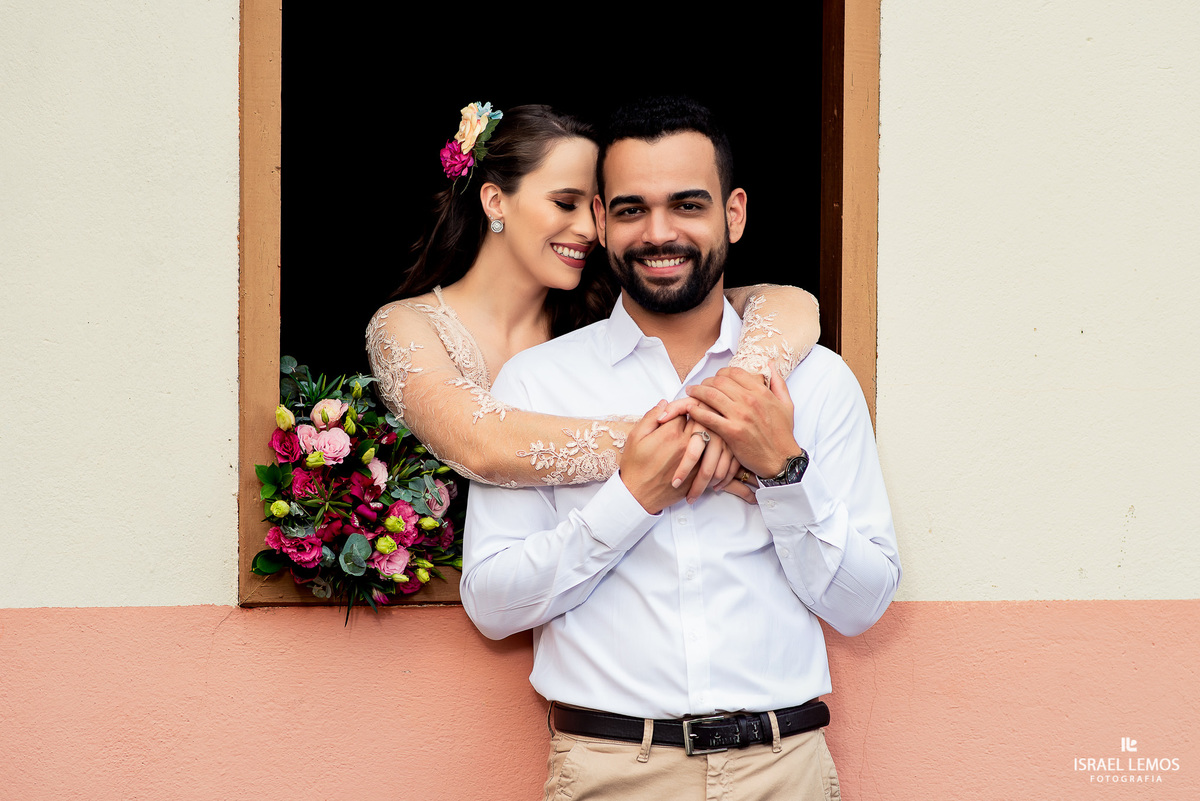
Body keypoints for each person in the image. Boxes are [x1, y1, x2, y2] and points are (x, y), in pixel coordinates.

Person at [461, 97, 901, 800]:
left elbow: (863, 602)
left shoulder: (815, 381)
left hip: (782, 769)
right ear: (601, 222)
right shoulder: (536, 382)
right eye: (632, 209)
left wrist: (783, 474)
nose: (658, 233)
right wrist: (631, 499)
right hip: (611, 770)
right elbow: (492, 602)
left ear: (734, 213)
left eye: (687, 205)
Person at [366, 102, 820, 500]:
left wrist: (742, 396)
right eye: (566, 203)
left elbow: (786, 303)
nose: (588, 229)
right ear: (494, 202)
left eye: (598, 209)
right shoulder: (406, 325)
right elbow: (479, 444)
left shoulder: (607, 306)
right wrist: (697, 440)